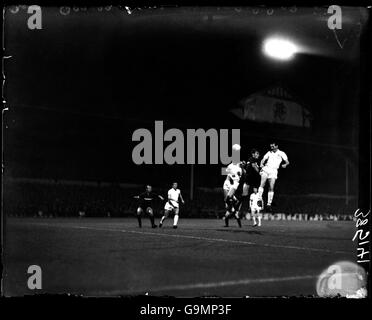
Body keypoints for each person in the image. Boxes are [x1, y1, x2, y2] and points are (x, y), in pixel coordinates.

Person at [258, 142, 289, 212]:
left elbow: (287, 162)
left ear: (277, 146)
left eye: (273, 146)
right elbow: (263, 159)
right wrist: (261, 163)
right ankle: (259, 199)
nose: (271, 148)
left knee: (271, 187)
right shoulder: (269, 152)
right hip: (266, 168)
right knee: (262, 183)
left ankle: (268, 204)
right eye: (271, 146)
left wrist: (285, 165)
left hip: (274, 171)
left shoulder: (281, 153)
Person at [223, 161, 244, 228]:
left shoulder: (239, 169)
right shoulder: (231, 166)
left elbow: (240, 174)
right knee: (229, 212)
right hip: (228, 183)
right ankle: (227, 225)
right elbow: (226, 171)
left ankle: (239, 225)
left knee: (231, 213)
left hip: (232, 184)